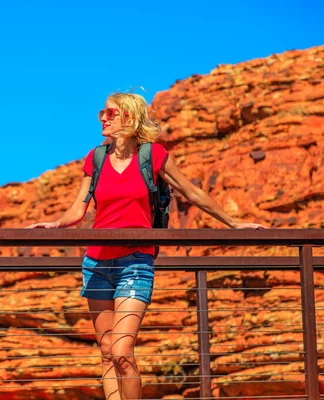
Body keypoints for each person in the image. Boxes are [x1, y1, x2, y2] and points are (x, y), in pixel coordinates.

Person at [26, 91, 265, 400]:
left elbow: (191, 192)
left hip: (135, 263)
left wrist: (234, 223)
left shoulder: (152, 155)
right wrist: (56, 224)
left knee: (122, 351)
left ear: (130, 118)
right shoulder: (96, 157)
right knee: (106, 352)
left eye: (111, 113)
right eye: (102, 113)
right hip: (96, 264)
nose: (103, 118)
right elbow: (78, 209)